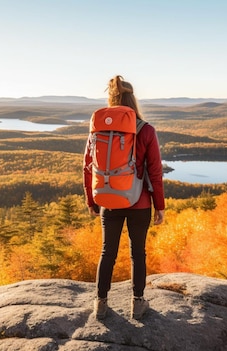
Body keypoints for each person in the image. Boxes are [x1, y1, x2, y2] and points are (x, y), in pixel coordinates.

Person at [83, 75, 165, 320]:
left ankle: (100, 304)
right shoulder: (146, 130)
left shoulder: (99, 128)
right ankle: (138, 304)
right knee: (137, 252)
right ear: (133, 100)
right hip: (138, 203)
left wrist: (91, 200)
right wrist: (159, 206)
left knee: (108, 251)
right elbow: (155, 172)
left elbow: (87, 166)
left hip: (108, 199)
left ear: (111, 99)